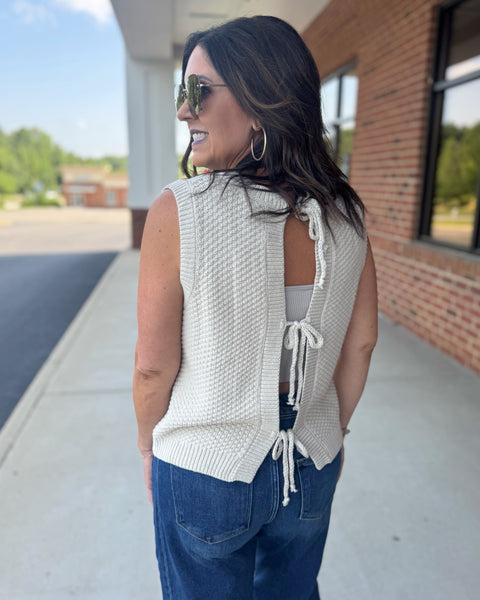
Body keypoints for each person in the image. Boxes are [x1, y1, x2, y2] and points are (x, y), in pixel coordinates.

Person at [133, 15, 377, 600]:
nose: (183, 111)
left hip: (204, 467)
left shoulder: (179, 210)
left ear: (264, 100)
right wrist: (332, 431)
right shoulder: (346, 214)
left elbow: (153, 367)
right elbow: (361, 343)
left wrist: (147, 446)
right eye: (183, 92)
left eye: (198, 92)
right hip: (311, 458)